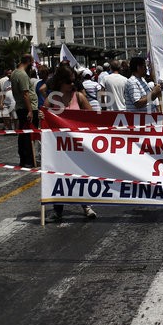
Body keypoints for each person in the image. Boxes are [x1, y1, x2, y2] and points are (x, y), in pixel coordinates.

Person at [42, 64, 96, 221]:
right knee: (59, 176)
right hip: (59, 147)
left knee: (80, 175)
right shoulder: (52, 99)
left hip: (78, 144)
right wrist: (42, 116)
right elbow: (44, 120)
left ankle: (86, 206)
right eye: (68, 81)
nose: (72, 84)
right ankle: (58, 209)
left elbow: (93, 117)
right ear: (60, 81)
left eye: (74, 81)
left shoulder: (79, 96)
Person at [11, 54, 37, 168]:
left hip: (21, 107)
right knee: (28, 136)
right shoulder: (22, 75)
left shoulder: (14, 73)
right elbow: (25, 94)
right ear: (28, 61)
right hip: (27, 108)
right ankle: (28, 160)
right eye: (32, 62)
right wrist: (30, 111)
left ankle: (24, 159)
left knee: (23, 134)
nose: (32, 65)